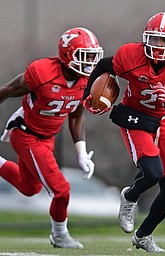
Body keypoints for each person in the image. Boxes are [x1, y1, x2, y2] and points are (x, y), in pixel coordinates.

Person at [83, 12, 165, 252]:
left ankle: (143, 236)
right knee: (152, 173)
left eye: (164, 41)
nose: (158, 46)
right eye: (154, 39)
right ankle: (130, 196)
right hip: (134, 117)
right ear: (145, 38)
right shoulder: (131, 55)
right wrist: (89, 94)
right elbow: (103, 66)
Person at [0, 27, 103, 249]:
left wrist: (82, 153)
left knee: (30, 189)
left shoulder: (86, 81)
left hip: (47, 138)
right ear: (67, 55)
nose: (90, 63)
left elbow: (76, 117)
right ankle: (60, 235)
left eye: (93, 56)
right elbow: (7, 90)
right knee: (62, 190)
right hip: (26, 132)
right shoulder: (42, 72)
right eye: (84, 56)